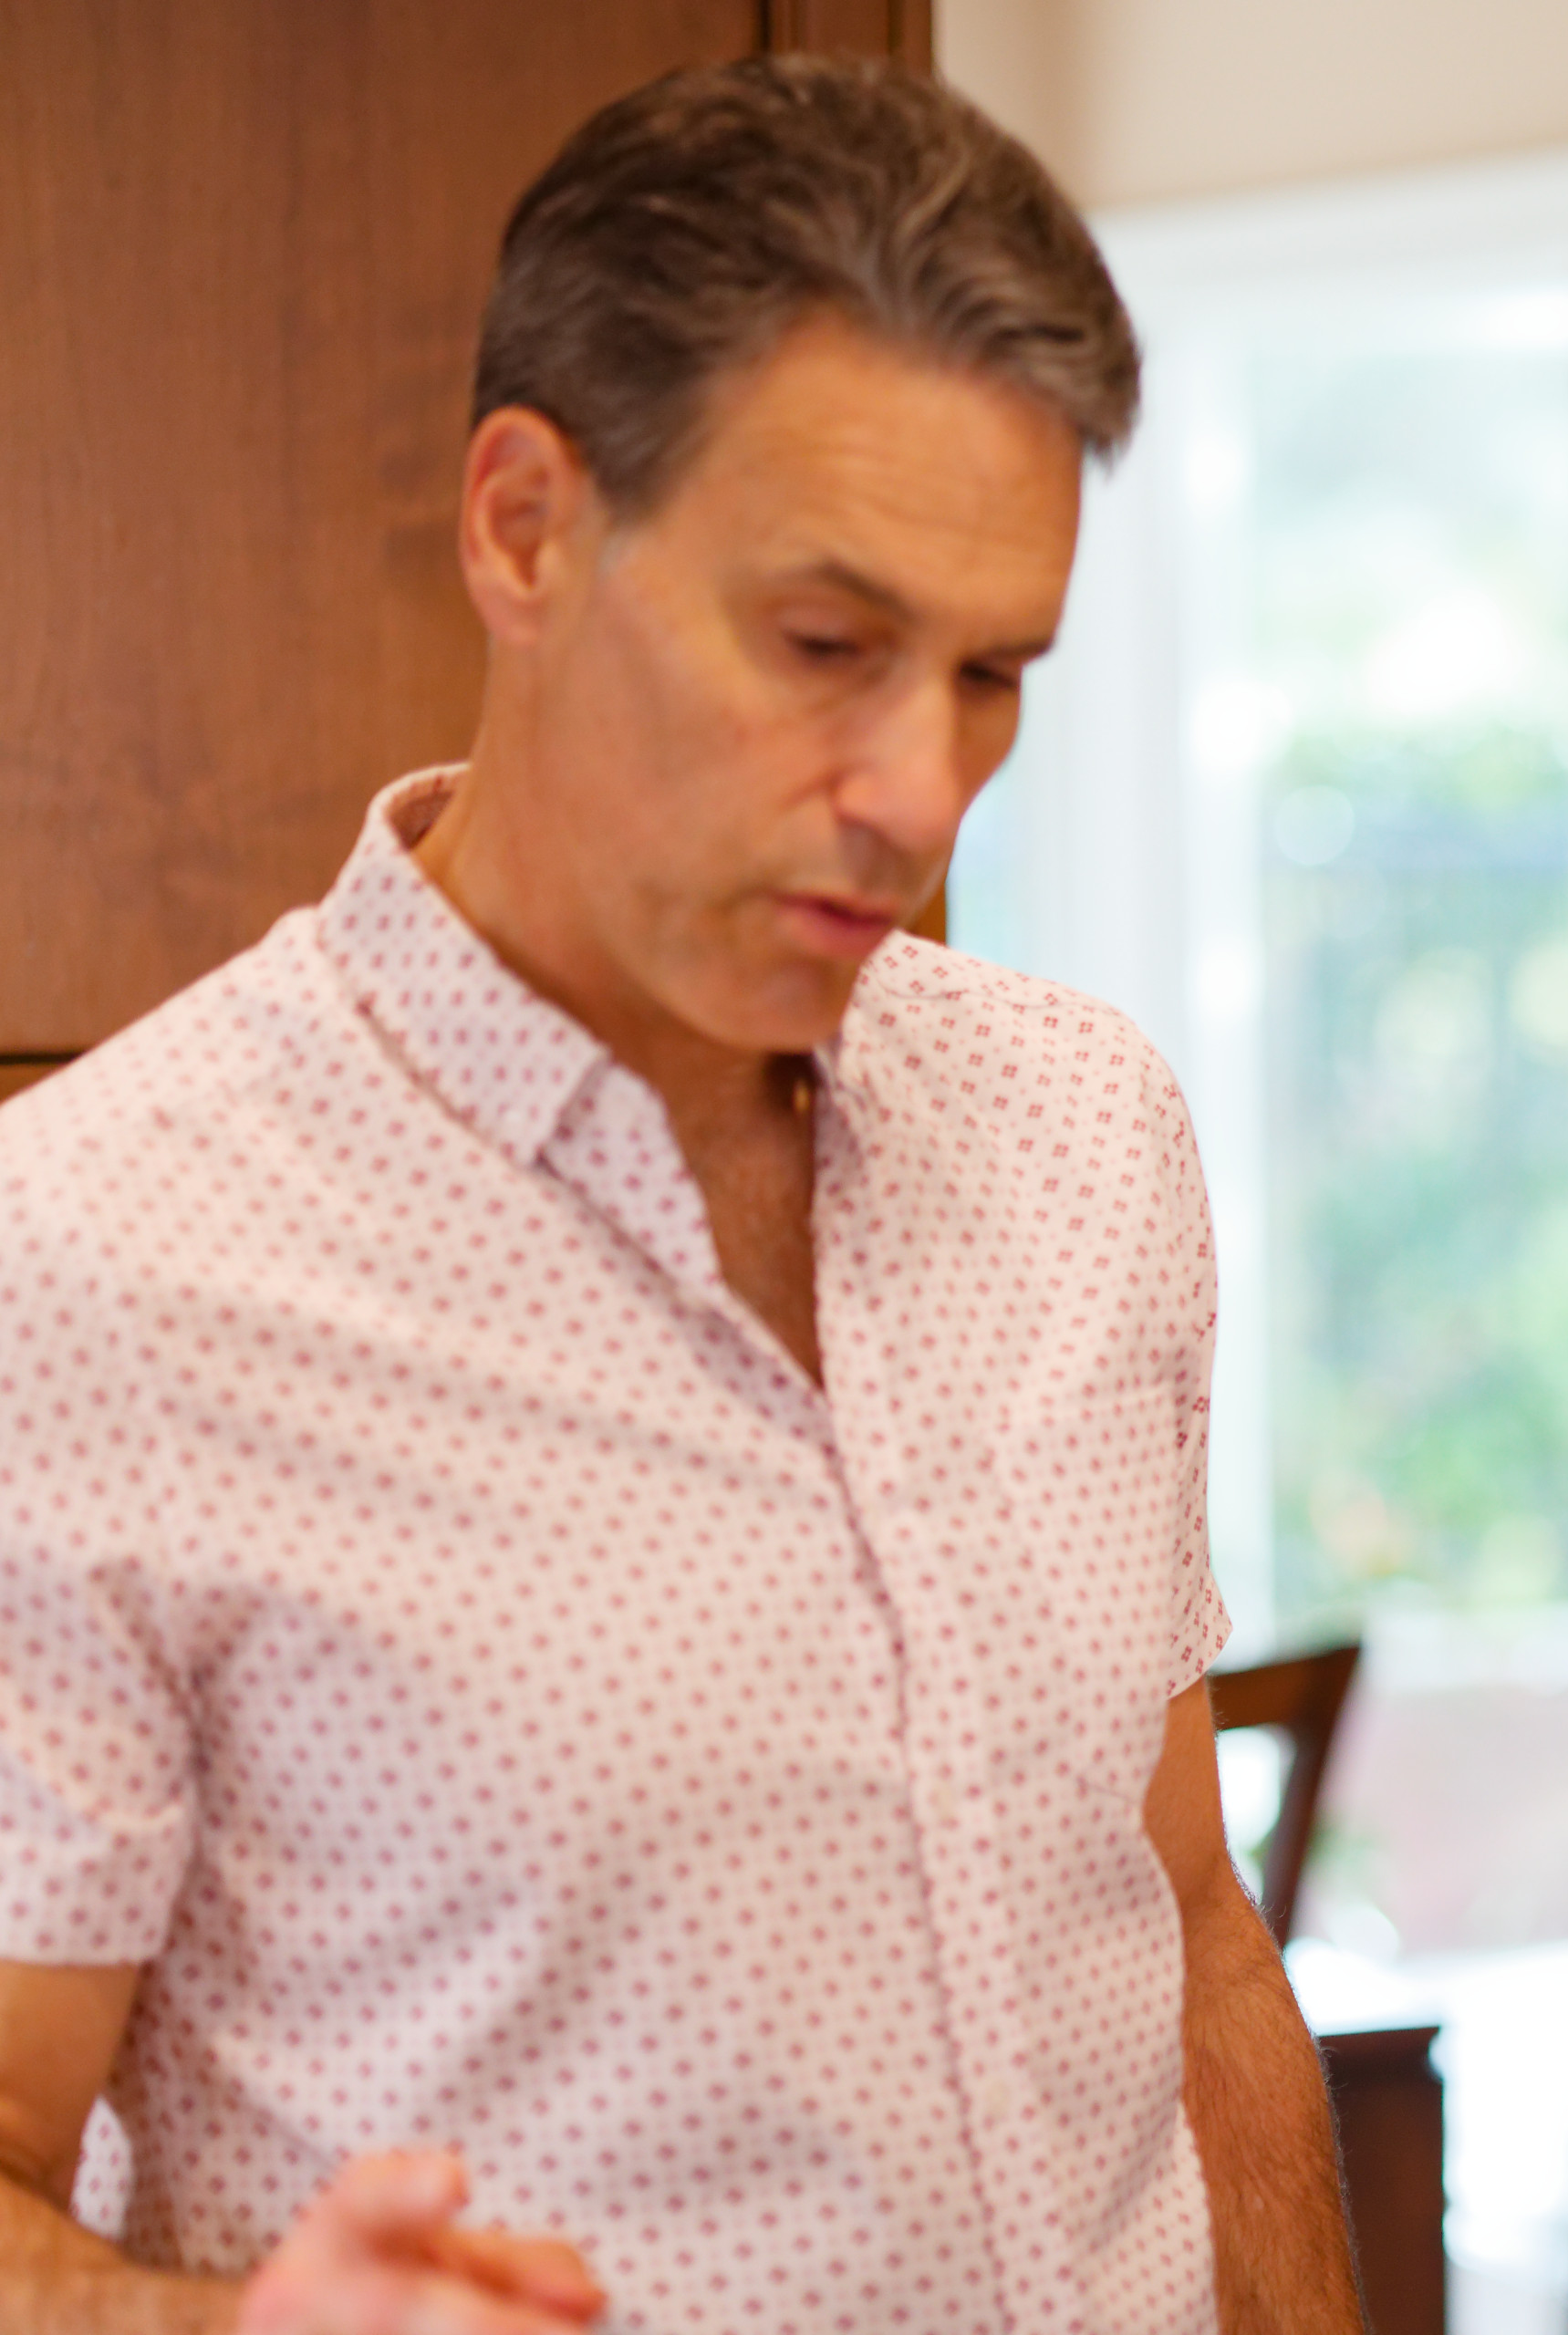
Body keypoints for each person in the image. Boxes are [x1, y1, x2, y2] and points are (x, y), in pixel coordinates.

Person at [0, 58, 1365, 2335]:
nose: (918, 790)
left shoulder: (1087, 1130)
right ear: (526, 526)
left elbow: (1187, 1934)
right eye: (826, 646)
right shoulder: (89, 1263)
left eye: (992, 674)